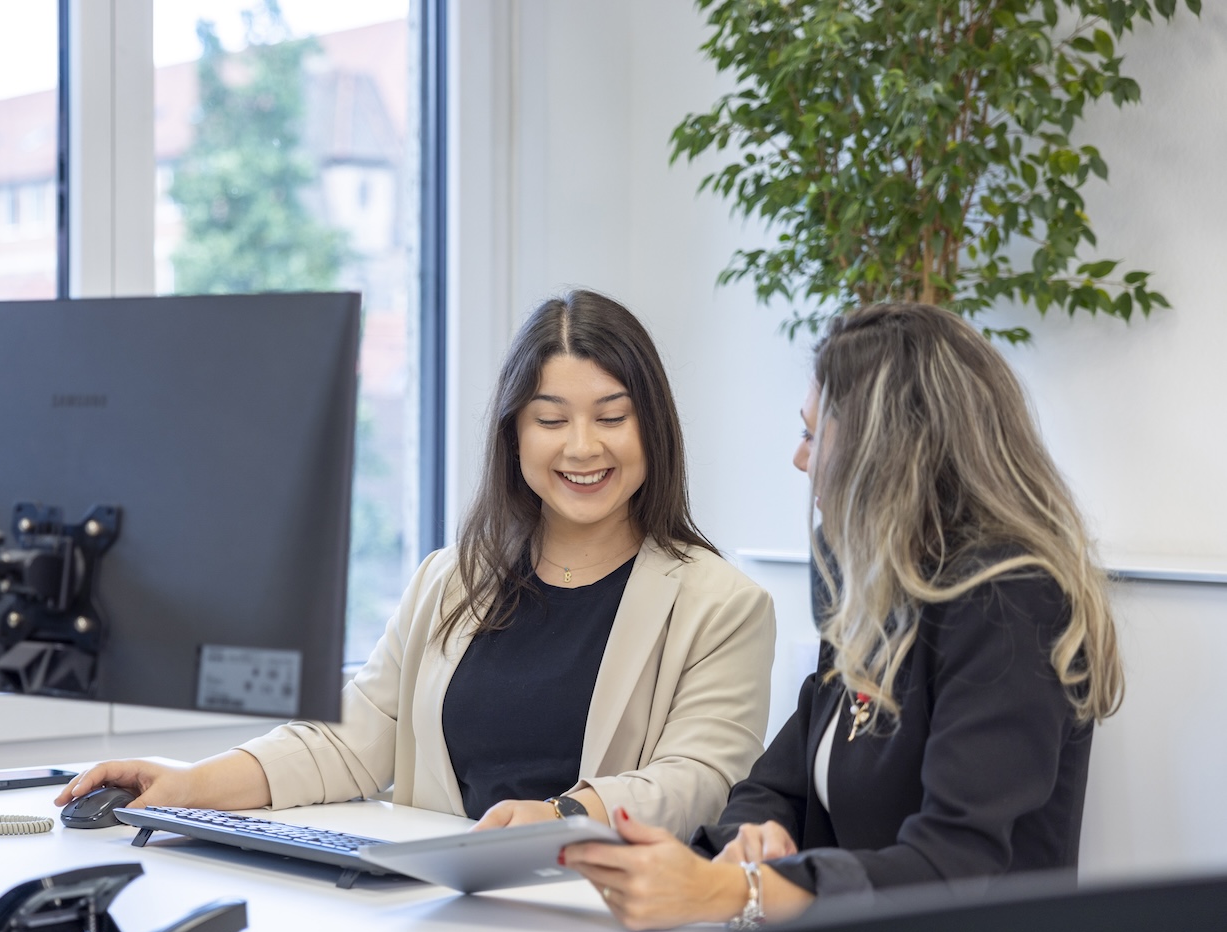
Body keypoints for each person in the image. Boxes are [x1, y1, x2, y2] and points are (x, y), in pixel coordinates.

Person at [58, 289, 776, 838]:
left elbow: (699, 782)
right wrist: (188, 784)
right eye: (552, 420)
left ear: (653, 430)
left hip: (604, 920)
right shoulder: (451, 580)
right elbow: (348, 742)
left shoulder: (722, 605)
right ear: (515, 436)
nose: (583, 447)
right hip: (443, 911)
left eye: (612, 417)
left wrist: (563, 815)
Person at [562, 302, 1123, 928]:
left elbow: (952, 865)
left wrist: (737, 891)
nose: (799, 460)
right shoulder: (879, 594)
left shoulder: (1011, 602)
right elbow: (776, 787)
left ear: (885, 449)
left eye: (811, 434)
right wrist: (752, 840)